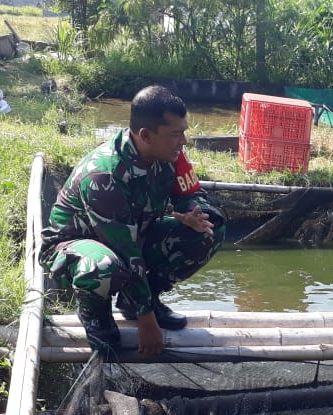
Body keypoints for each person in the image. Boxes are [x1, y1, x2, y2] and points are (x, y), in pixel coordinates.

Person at [40, 85, 226, 355]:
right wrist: (146, 320)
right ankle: (95, 314)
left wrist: (196, 213)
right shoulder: (104, 176)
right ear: (146, 135)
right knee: (104, 264)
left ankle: (135, 300)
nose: (183, 141)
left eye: (184, 131)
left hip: (132, 235)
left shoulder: (170, 156)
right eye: (176, 134)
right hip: (75, 247)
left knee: (210, 231)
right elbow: (125, 251)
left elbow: (192, 192)